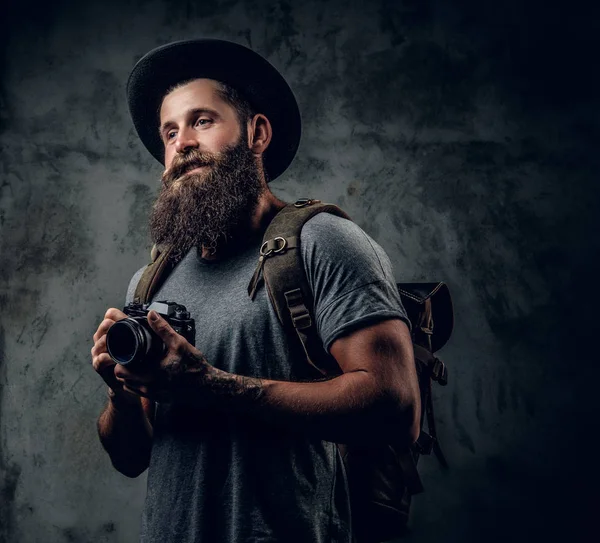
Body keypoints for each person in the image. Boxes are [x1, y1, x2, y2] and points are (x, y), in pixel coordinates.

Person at [91, 39, 421, 543]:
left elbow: (397, 411)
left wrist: (213, 385)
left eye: (202, 121)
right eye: (170, 131)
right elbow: (131, 458)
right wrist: (120, 387)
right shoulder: (151, 280)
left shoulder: (322, 242)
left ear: (257, 133)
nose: (182, 143)